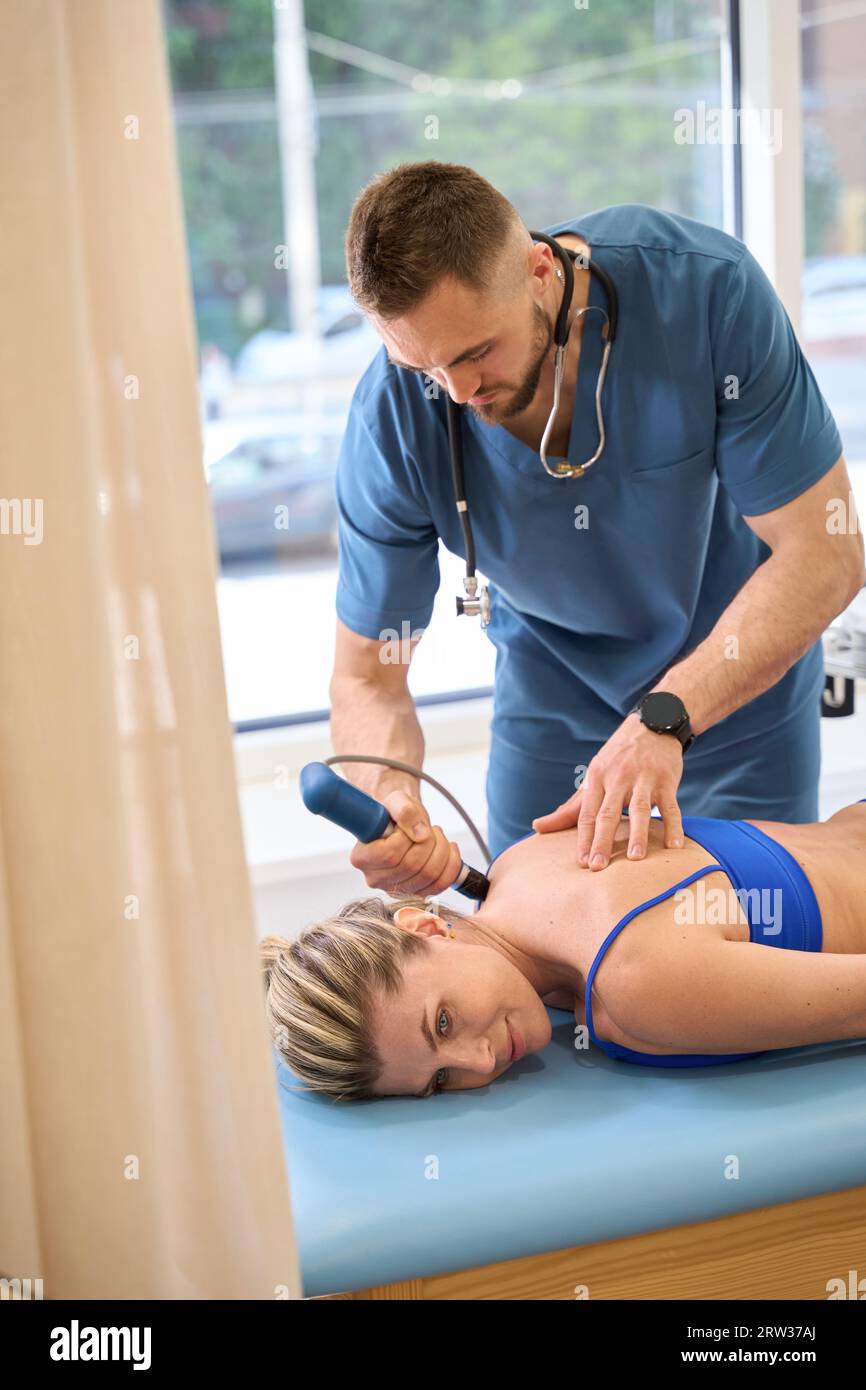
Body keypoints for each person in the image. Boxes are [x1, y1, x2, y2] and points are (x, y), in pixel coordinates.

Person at [328, 161, 864, 890]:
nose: (457, 394)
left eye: (475, 353)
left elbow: (824, 553)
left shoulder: (704, 293)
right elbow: (369, 678)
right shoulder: (392, 420)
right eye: (422, 367)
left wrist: (667, 717)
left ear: (540, 268)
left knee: (758, 938)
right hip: (556, 700)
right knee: (547, 956)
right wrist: (388, 792)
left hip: (737, 683)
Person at [262, 798, 866, 1100]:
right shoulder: (519, 863)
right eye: (440, 1082)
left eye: (442, 1023)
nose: (478, 1062)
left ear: (424, 927)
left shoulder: (635, 989)